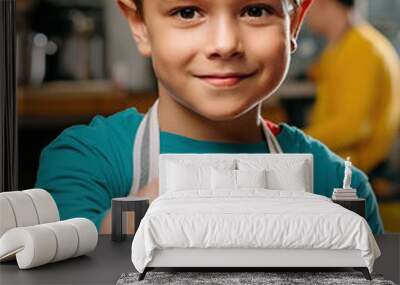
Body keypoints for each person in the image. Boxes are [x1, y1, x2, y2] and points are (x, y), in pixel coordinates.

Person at [35, 0, 384, 235]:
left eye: (255, 10)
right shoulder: (85, 160)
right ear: (139, 25)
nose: (225, 43)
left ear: (294, 24)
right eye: (187, 12)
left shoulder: (340, 184)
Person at [304, 0, 400, 179]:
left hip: (355, 172)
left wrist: (297, 142)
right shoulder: (343, 45)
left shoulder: (362, 48)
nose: (302, 11)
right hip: (339, 161)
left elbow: (353, 126)